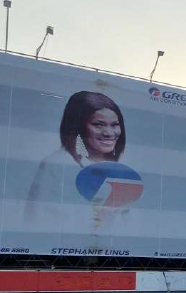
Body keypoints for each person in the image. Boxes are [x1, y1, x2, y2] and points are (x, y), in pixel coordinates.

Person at [26, 91, 132, 232]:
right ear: (78, 126)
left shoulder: (121, 168)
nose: (109, 133)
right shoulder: (58, 164)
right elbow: (37, 222)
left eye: (114, 125)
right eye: (98, 125)